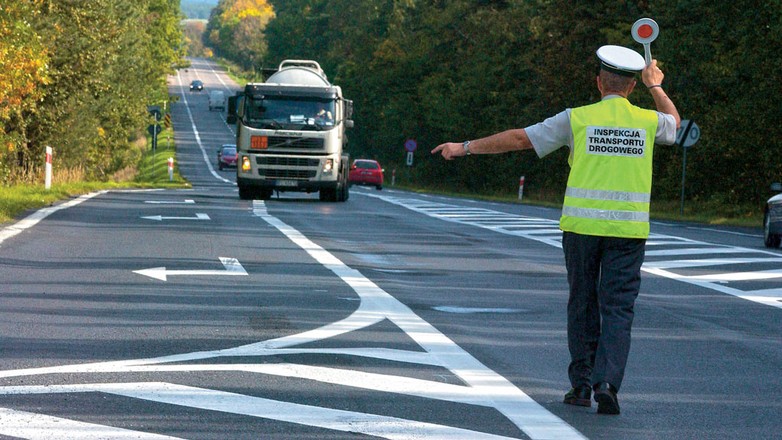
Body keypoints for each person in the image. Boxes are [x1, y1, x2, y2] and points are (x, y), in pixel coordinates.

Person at [431, 45, 680, 415]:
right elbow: (675, 124)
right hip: (628, 232)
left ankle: (581, 385)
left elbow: (519, 138)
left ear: (599, 83)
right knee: (618, 309)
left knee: (582, 303)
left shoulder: (576, 119)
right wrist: (655, 85)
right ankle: (608, 383)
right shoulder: (647, 121)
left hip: (581, 229)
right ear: (631, 87)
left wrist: (463, 147)